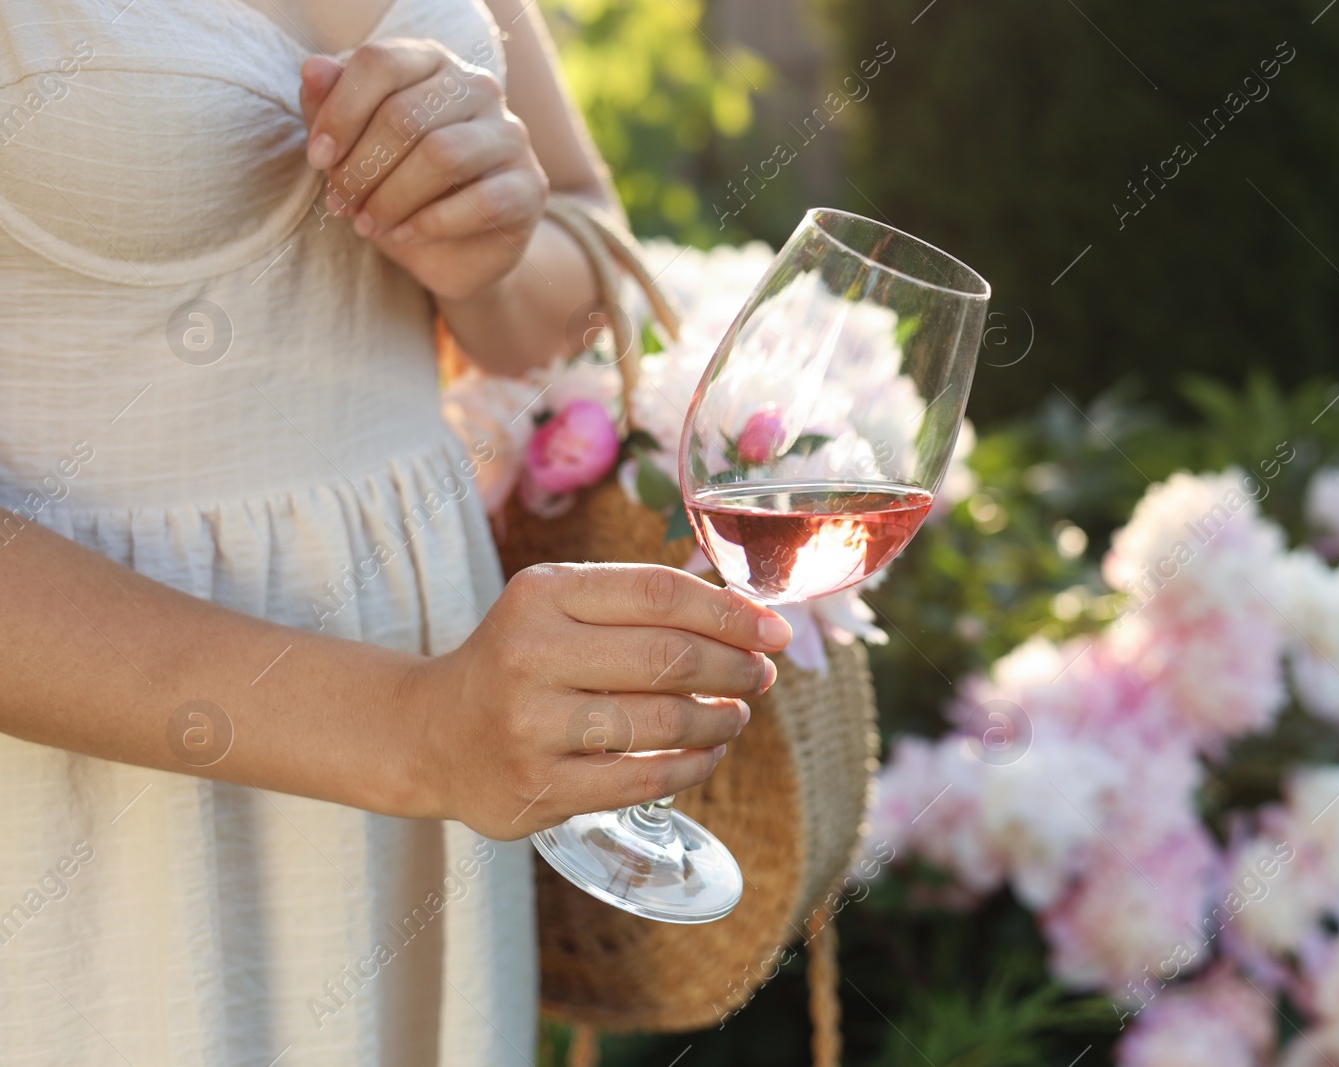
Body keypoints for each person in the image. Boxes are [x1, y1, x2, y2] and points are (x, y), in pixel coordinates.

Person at [0, 0, 789, 1062]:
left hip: (430, 776)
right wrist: (413, 730)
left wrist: (497, 247)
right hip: (88, 800)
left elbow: (584, 239)